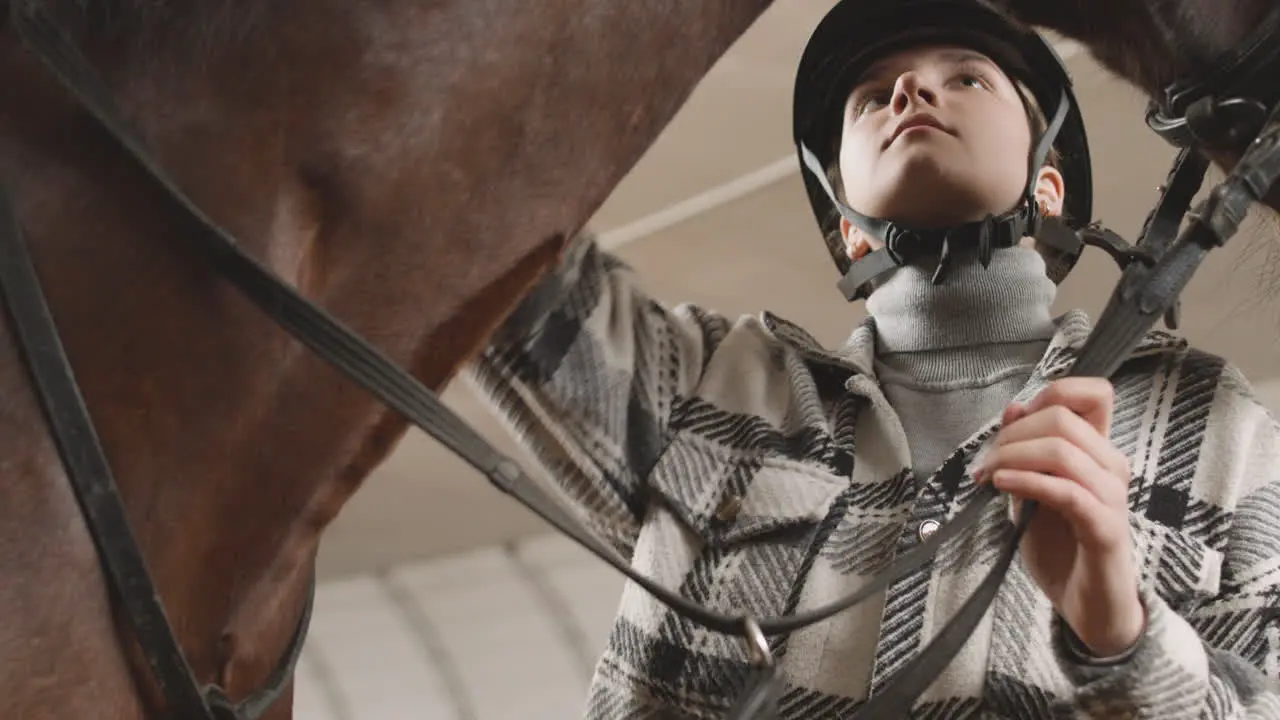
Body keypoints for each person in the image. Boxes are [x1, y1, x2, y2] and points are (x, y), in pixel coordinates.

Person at [465, 0, 1280, 716]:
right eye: (868, 99)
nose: (909, 92)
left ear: (1050, 190)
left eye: (967, 77)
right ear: (848, 226)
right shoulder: (704, 384)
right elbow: (467, 225)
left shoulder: (1217, 427)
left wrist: (1119, 637)